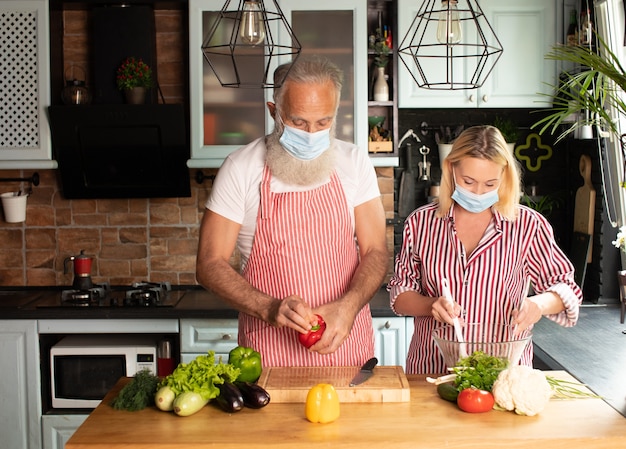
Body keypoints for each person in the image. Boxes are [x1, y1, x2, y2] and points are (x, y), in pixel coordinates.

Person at [196, 56, 388, 367]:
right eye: (298, 122)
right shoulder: (241, 168)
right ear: (275, 111)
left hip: (347, 349)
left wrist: (349, 306)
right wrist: (268, 307)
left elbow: (376, 250)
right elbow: (208, 263)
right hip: (269, 357)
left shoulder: (354, 162)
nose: (312, 133)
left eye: (324, 122)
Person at [387, 125, 583, 374]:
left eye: (490, 184)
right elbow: (401, 294)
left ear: (505, 178)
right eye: (468, 182)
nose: (478, 192)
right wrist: (431, 305)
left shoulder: (527, 226)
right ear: (451, 169)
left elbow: (567, 290)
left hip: (502, 373)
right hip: (432, 369)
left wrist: (538, 305)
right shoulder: (422, 223)